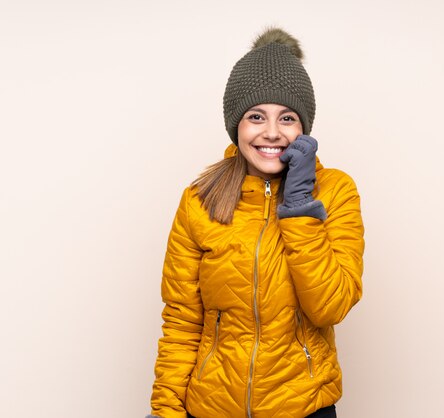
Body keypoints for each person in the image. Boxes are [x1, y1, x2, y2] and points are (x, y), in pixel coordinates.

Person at [147, 27, 364, 418]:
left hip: (303, 407)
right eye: (256, 116)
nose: (271, 132)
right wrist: (165, 411)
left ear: (303, 129)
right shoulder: (199, 200)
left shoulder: (335, 192)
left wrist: (299, 206)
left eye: (287, 118)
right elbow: (181, 320)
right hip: (211, 408)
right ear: (237, 125)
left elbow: (330, 307)